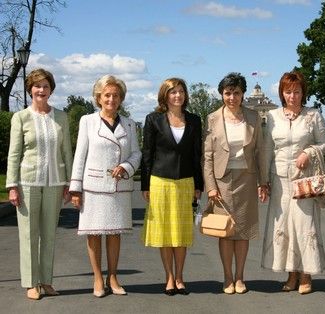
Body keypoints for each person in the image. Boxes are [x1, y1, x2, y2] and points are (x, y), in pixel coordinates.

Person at [70, 75, 141, 298]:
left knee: (114, 234)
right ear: (98, 97)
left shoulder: (129, 124)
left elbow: (137, 153)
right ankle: (98, 278)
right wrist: (75, 188)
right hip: (93, 187)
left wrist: (126, 166)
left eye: (116, 95)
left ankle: (113, 277)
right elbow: (80, 154)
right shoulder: (87, 121)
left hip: (119, 188)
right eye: (107, 95)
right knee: (93, 234)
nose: (111, 99)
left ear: (121, 98)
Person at [6, 68, 73, 300]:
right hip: (27, 183)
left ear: (51, 89)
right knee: (28, 234)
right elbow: (14, 154)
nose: (41, 90)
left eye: (45, 86)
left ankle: (46, 281)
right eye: (37, 86)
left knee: (49, 234)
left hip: (55, 182)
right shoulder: (20, 117)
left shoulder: (62, 117)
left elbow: (67, 152)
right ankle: (31, 283)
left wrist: (69, 184)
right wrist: (12, 186)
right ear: (30, 89)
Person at [261, 71, 325, 294]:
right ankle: (291, 274)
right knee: (284, 227)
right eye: (288, 91)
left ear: (303, 93)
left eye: (297, 91)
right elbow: (267, 149)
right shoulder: (272, 117)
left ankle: (306, 274)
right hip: (279, 179)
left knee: (305, 226)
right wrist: (263, 180)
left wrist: (308, 152)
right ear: (282, 93)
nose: (293, 96)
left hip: (304, 181)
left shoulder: (313, 116)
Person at [203, 72, 269, 295]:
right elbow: (208, 156)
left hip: (247, 179)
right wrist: (210, 186)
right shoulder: (212, 118)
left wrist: (263, 181)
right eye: (227, 93)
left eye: (237, 93)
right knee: (226, 231)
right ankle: (227, 277)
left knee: (243, 230)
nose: (232, 97)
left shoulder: (253, 117)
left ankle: (240, 277)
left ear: (243, 94)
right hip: (222, 182)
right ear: (222, 94)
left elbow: (260, 150)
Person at [140, 78, 203, 296]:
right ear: (165, 95)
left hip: (186, 182)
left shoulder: (194, 120)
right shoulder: (153, 119)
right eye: (173, 92)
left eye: (181, 91)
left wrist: (199, 184)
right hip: (160, 182)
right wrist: (145, 185)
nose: (177, 95)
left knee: (182, 232)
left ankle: (180, 277)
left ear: (185, 95)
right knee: (165, 233)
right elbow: (147, 153)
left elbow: (197, 155)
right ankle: (168, 277)